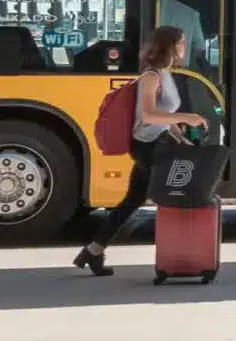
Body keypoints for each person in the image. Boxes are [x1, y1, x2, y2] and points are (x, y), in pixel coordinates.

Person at [72, 26, 207, 276]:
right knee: (178, 192)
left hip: (157, 141)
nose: (184, 48)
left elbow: (164, 118)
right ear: (169, 46)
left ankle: (92, 251)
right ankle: (181, 257)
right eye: (181, 43)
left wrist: (180, 136)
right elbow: (148, 115)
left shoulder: (167, 74)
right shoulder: (151, 77)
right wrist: (188, 117)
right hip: (147, 146)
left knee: (132, 200)